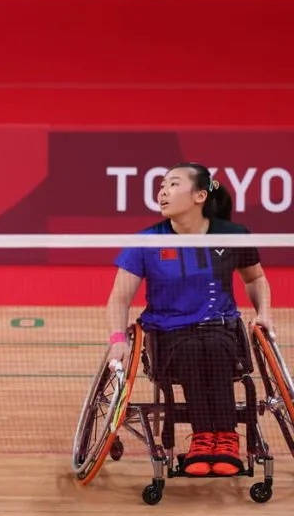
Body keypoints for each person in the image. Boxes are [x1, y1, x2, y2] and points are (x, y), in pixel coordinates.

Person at [105, 162, 274, 477]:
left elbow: (255, 278)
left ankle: (225, 440)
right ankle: (202, 438)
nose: (163, 192)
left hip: (221, 330)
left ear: (199, 196)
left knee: (214, 346)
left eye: (173, 184)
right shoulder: (147, 241)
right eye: (162, 185)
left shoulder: (231, 235)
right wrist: (117, 339)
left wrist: (264, 313)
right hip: (168, 335)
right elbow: (119, 298)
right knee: (194, 349)